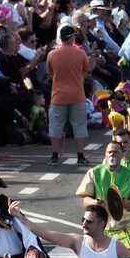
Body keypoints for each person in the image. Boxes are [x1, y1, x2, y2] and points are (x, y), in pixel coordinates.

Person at [75, 141, 130, 251]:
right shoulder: (94, 172)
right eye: (109, 152)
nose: (112, 155)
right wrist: (95, 202)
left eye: (116, 152)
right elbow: (85, 199)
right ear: (105, 155)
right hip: (100, 228)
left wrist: (121, 203)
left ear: (122, 155)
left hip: (124, 228)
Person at [47, 25, 91, 165]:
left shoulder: (52, 54)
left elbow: (50, 73)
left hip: (58, 96)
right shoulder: (81, 53)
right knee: (79, 125)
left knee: (56, 126)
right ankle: (80, 156)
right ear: (72, 37)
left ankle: (54, 155)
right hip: (77, 95)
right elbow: (85, 71)